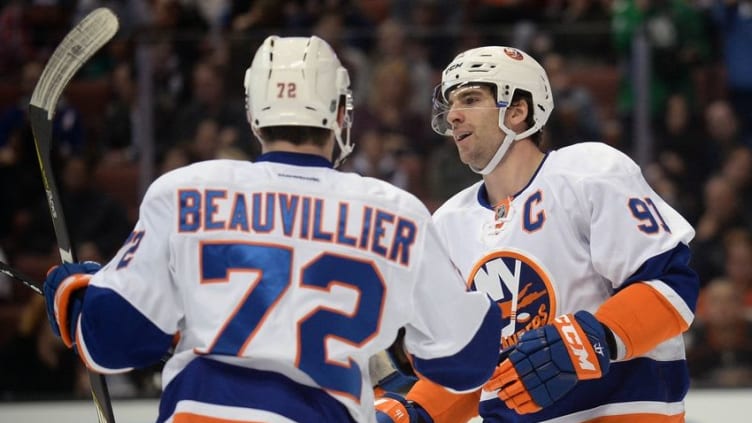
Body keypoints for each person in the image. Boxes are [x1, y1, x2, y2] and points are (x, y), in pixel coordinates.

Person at [41, 35, 502, 423]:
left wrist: (78, 295)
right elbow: (464, 364)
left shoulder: (184, 190)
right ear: (341, 113)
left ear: (253, 112)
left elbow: (114, 344)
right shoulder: (397, 211)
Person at [375, 46, 700, 422]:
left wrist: (592, 338)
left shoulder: (588, 171)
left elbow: (672, 287)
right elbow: (470, 364)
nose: (454, 115)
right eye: (450, 104)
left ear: (517, 110)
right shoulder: (447, 224)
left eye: (471, 98)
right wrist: (415, 411)